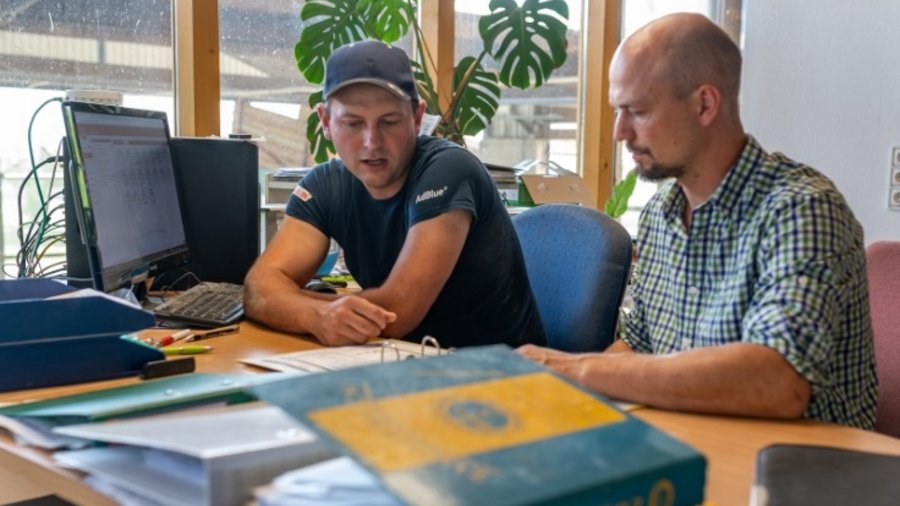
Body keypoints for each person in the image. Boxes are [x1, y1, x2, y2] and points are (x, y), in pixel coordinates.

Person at [518, 13, 878, 429]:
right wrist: (555, 400)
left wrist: (573, 368)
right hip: (696, 441)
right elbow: (638, 346)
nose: (619, 131)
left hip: (801, 474)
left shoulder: (802, 211)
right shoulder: (660, 214)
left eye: (636, 110)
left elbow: (778, 381)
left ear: (705, 104)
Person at [244, 40, 545, 350]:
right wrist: (316, 314)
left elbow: (397, 311)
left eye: (389, 122)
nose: (372, 142)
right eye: (352, 123)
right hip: (398, 361)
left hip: (497, 374)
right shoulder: (325, 185)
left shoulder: (449, 170)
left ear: (417, 119)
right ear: (326, 122)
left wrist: (293, 298)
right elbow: (258, 289)